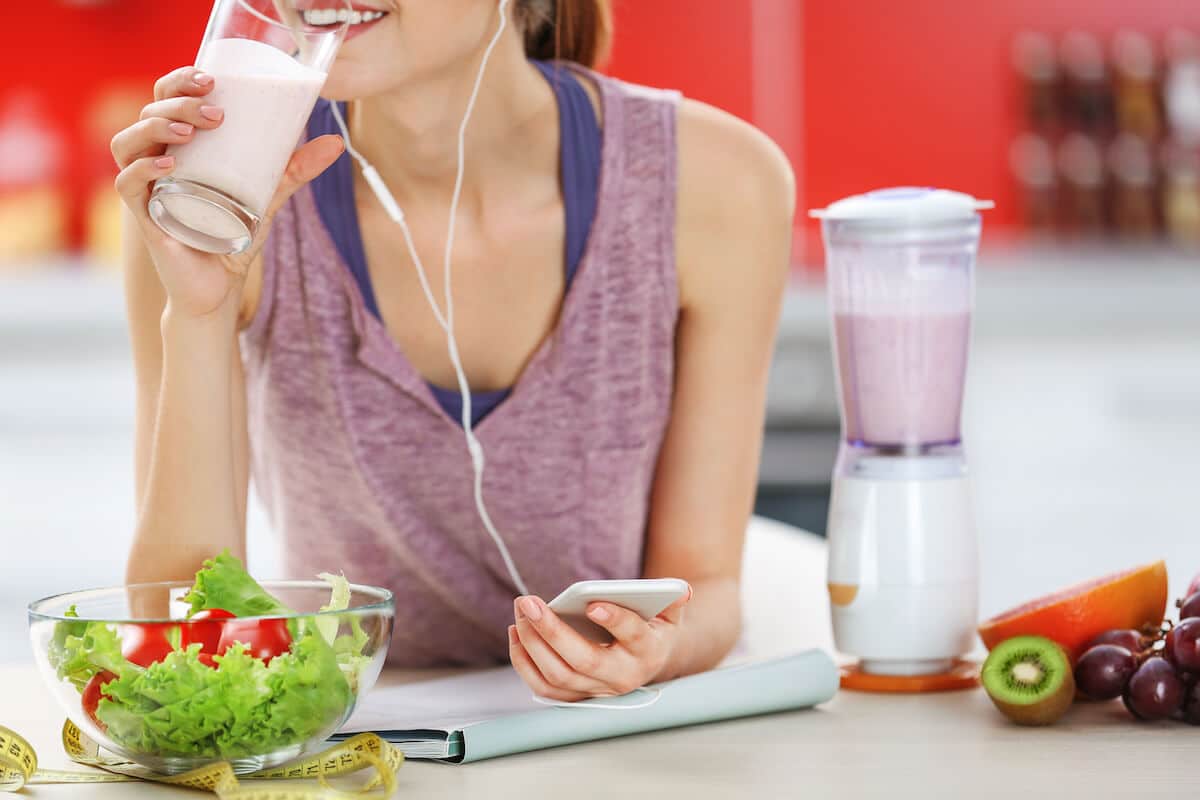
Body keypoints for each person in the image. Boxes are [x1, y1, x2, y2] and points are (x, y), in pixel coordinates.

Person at [110, 0, 793, 701]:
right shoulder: (220, 188)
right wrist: (200, 310)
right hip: (376, 736)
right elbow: (179, 614)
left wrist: (653, 653)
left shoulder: (715, 183)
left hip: (616, 739)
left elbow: (707, 587)